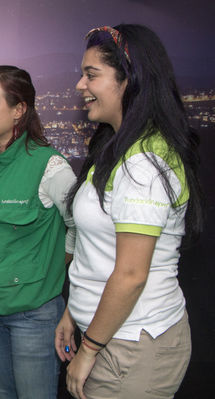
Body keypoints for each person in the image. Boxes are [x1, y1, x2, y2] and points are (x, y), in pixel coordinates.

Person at [54, 24, 203, 399]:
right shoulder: (116, 147)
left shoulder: (145, 163)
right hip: (112, 338)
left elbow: (131, 274)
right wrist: (74, 312)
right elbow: (99, 253)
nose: (79, 86)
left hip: (130, 347)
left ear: (129, 80)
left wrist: (89, 351)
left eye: (91, 75)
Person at [0, 65, 76, 399]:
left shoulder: (50, 165)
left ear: (18, 110)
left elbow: (82, 227)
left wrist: (59, 261)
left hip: (33, 314)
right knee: (4, 393)